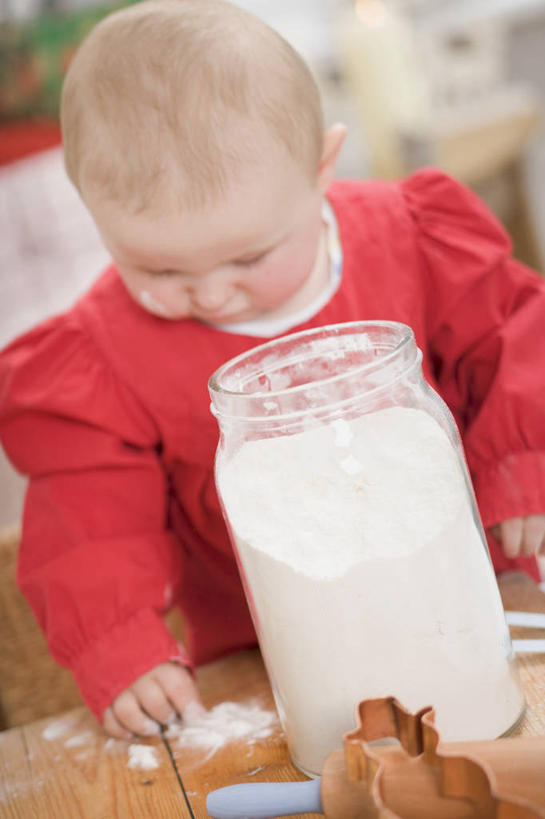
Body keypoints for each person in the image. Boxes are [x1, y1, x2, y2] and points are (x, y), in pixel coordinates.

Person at [1, 0, 544, 741]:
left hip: (478, 602)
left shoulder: (411, 241)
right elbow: (87, 521)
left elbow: (514, 339)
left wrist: (521, 457)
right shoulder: (102, 359)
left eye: (249, 257)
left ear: (322, 167)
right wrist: (117, 643)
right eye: (158, 270)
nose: (211, 294)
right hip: (273, 663)